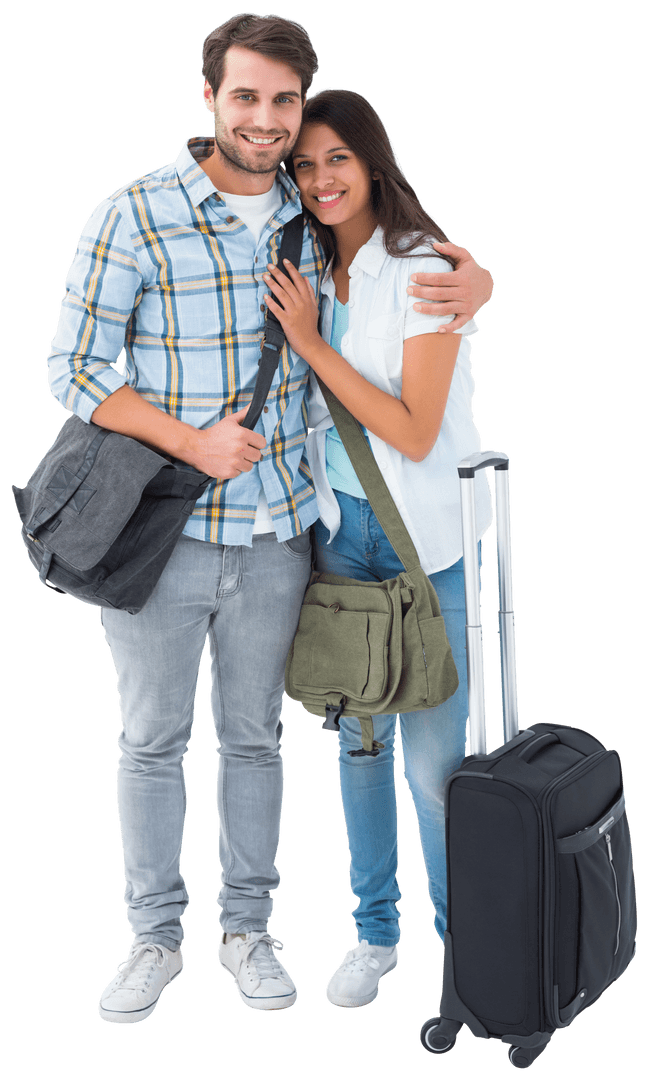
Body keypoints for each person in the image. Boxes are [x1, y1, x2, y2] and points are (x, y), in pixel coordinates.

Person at [45, 14, 494, 1023]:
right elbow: (71, 370)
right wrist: (189, 440)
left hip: (289, 534)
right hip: (157, 538)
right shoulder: (135, 214)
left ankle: (249, 934)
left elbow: (402, 262)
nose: (265, 119)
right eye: (244, 96)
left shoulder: (307, 212)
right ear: (209, 97)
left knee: (256, 742)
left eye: (282, 102)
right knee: (152, 742)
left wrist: (480, 279)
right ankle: (152, 940)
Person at [262, 88, 493, 1009]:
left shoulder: (426, 271)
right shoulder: (308, 263)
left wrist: (313, 346)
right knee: (357, 748)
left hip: (420, 544)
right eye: (304, 165)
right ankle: (374, 933)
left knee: (435, 769)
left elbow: (409, 427)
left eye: (336, 161)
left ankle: (462, 952)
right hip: (335, 540)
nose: (320, 180)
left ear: (372, 162)